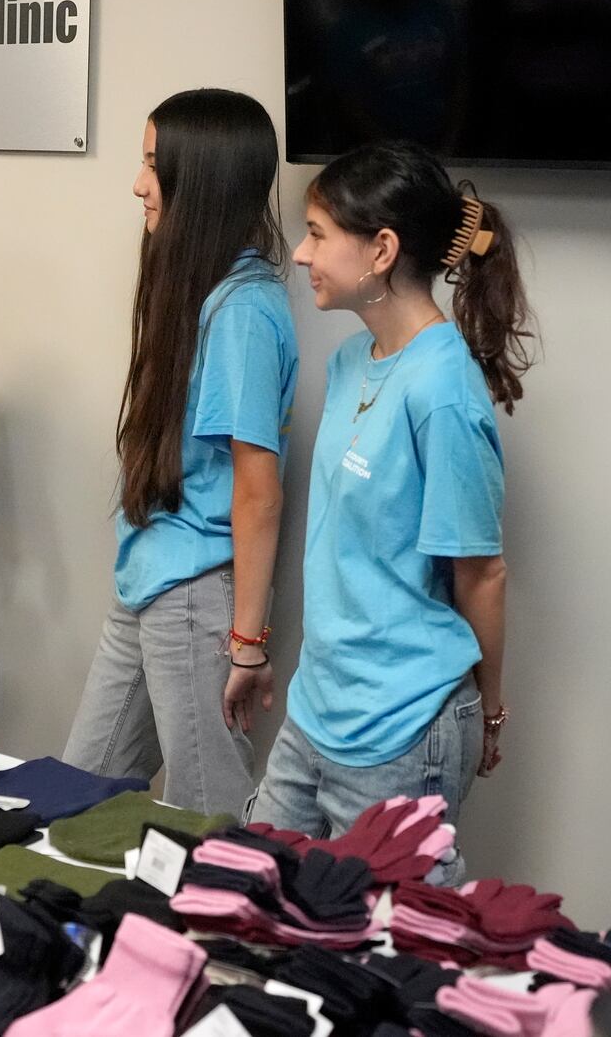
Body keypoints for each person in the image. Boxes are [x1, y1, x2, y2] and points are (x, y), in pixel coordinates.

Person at [249, 140, 535, 883]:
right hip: (319, 707)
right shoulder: (352, 362)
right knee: (247, 895)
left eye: (318, 233)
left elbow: (482, 573)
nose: (303, 254)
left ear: (381, 249)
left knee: (393, 957)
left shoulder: (442, 392)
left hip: (404, 727)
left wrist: (492, 708)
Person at [62, 89, 298, 818]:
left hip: (196, 594)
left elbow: (259, 491)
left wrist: (247, 644)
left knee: (209, 823)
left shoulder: (245, 312)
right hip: (149, 578)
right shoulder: (204, 289)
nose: (138, 183)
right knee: (75, 798)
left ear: (203, 183)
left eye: (152, 166)